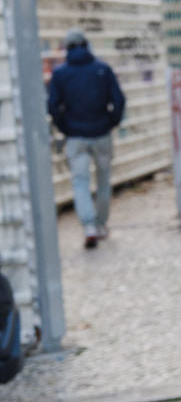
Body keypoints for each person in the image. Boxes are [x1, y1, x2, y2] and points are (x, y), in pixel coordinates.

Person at [47, 28, 125, 249]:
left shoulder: (60, 74)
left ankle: (88, 226)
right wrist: (111, 122)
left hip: (76, 136)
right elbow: (118, 100)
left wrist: (66, 127)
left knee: (80, 182)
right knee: (103, 181)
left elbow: (52, 106)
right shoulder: (102, 69)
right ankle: (101, 224)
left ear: (67, 48)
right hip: (101, 134)